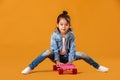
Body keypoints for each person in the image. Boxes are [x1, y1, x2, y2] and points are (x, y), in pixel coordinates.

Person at [21, 11, 109, 74]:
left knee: (83, 54)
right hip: (57, 57)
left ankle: (98, 67)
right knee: (47, 51)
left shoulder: (71, 35)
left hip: (68, 57)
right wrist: (57, 61)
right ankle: (30, 67)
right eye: (61, 24)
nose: (64, 27)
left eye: (66, 25)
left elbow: (72, 48)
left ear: (69, 26)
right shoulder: (54, 35)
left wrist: (70, 61)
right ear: (57, 25)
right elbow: (54, 48)